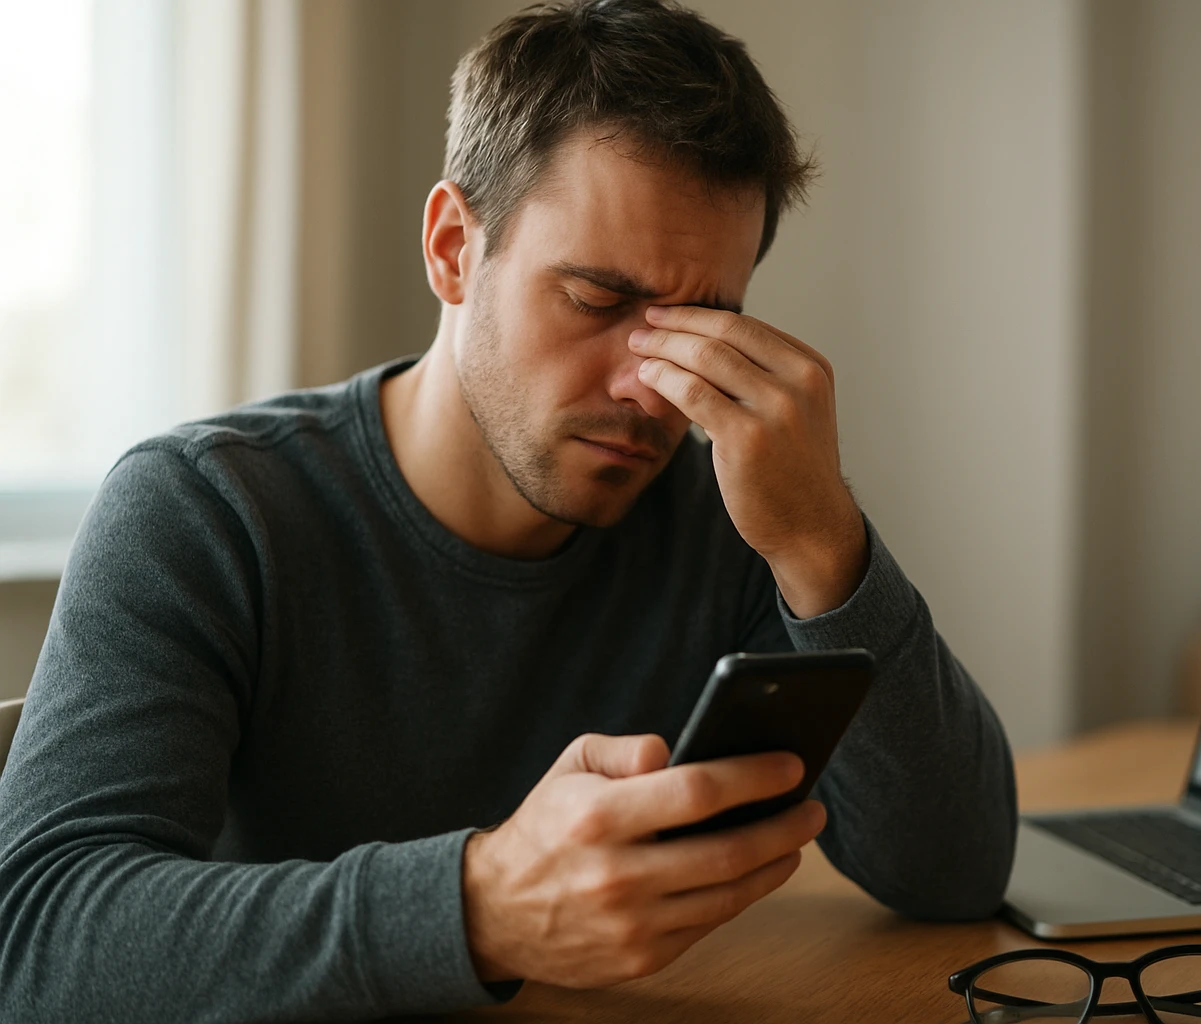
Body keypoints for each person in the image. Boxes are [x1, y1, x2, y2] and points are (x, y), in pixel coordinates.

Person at [0, 1, 1016, 1019]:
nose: (650, 388)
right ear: (451, 248)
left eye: (701, 325)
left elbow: (956, 873)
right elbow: (37, 940)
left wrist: (821, 541)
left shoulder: (733, 523)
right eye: (596, 298)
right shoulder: (206, 513)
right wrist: (478, 906)